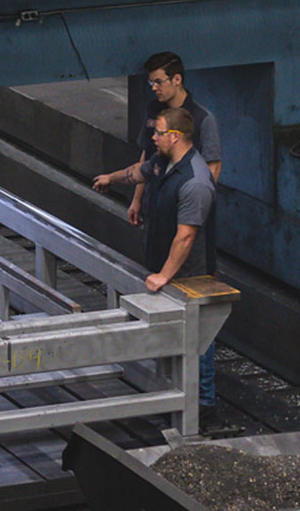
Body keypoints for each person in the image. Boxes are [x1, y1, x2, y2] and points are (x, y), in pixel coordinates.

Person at [92, 107, 220, 429]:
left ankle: (202, 405)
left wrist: (165, 274)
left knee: (198, 337)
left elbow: (186, 236)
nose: (153, 137)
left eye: (158, 132)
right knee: (172, 332)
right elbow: (139, 172)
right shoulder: (164, 162)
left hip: (191, 272)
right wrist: (112, 178)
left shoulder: (195, 181)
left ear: (175, 137)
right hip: (162, 262)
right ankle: (172, 390)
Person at [128, 52, 222, 228]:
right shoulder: (153, 111)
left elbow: (213, 166)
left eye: (159, 82)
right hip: (154, 205)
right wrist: (137, 199)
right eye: (151, 83)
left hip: (183, 209)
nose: (154, 88)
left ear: (177, 79)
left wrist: (197, 208)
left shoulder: (202, 119)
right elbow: (146, 156)